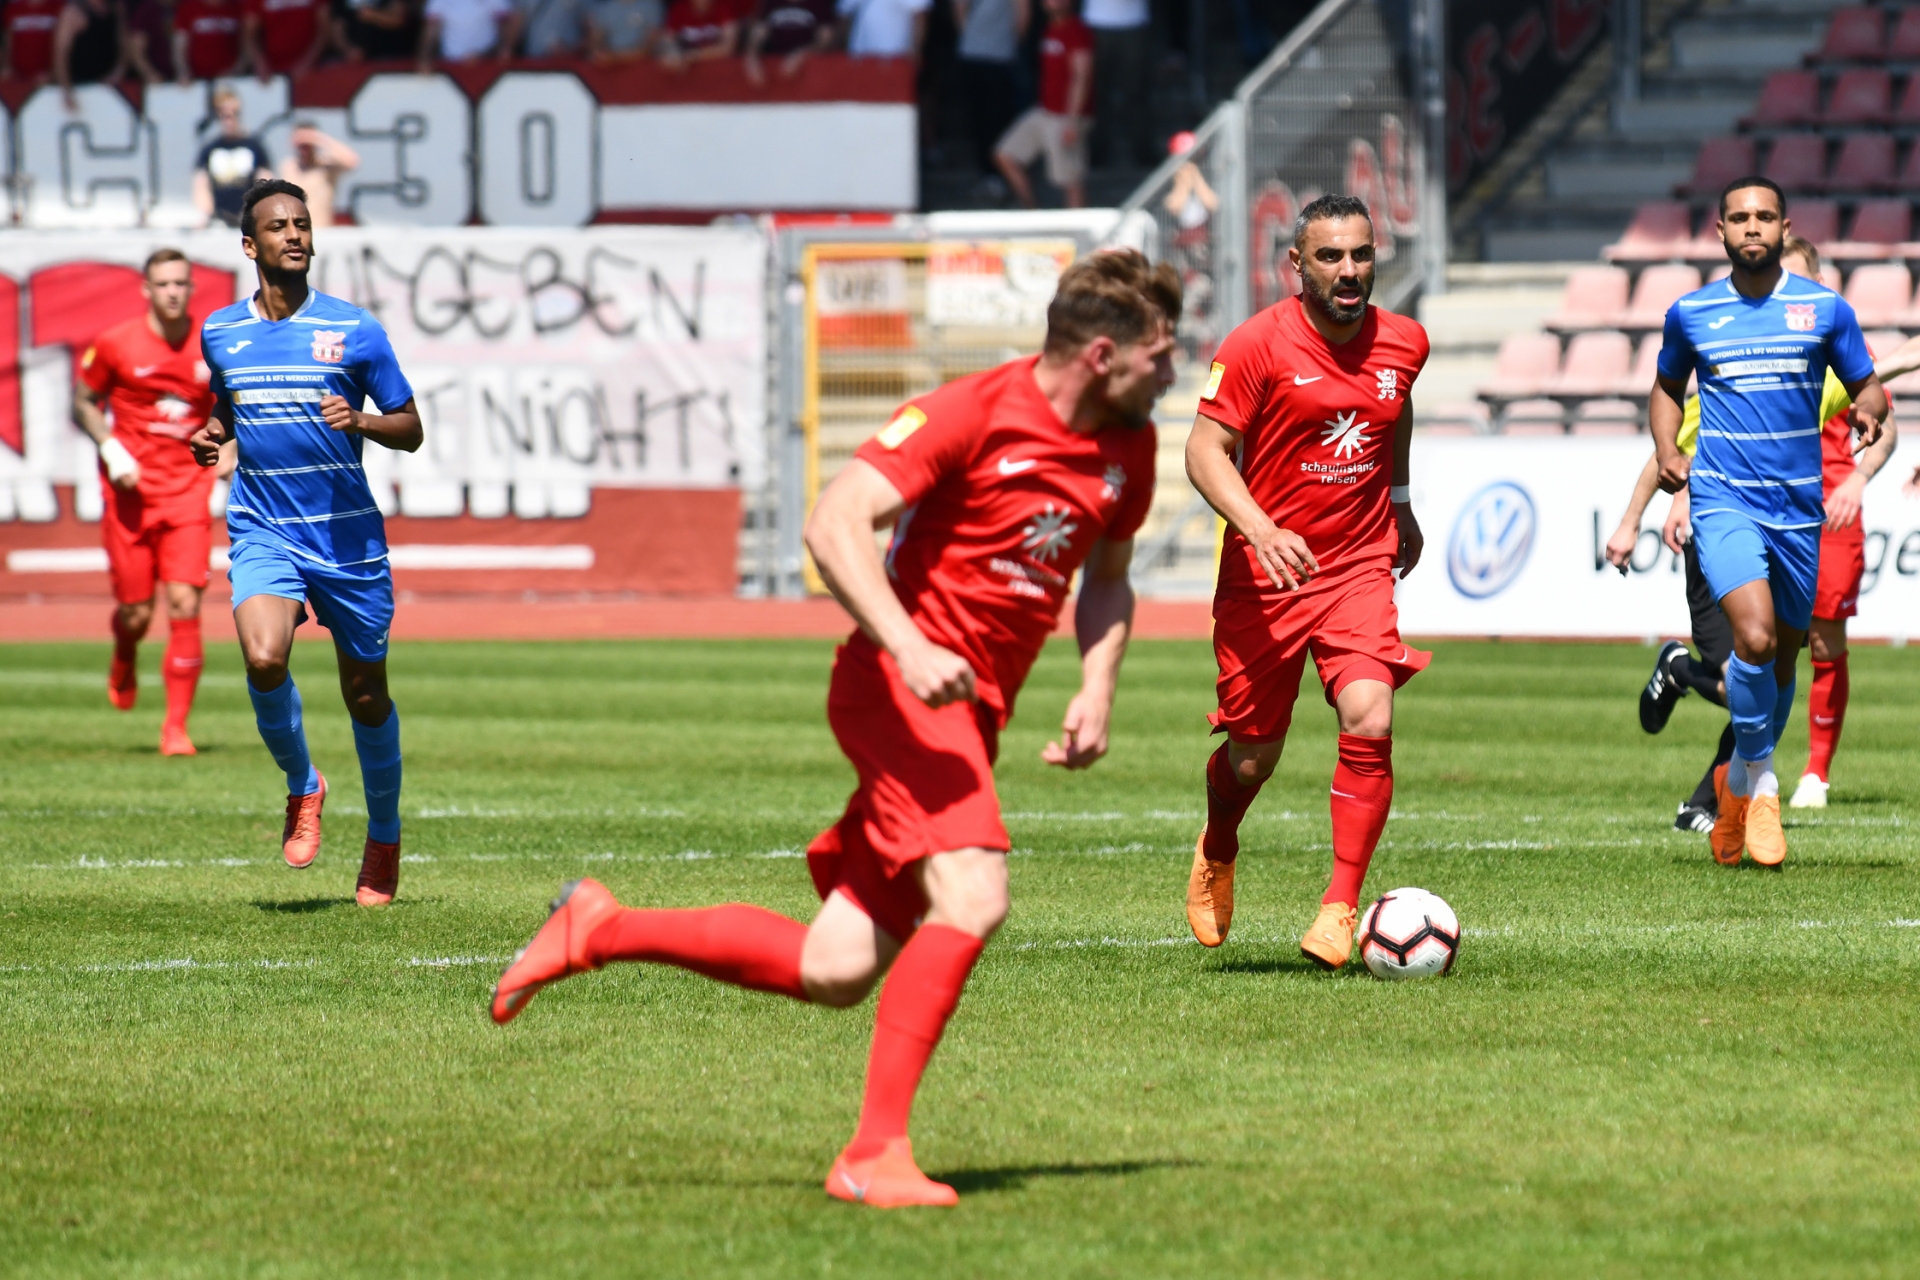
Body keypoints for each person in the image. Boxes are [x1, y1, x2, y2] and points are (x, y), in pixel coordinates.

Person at [488, 250, 1181, 1209]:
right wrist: (907, 644)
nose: (1174, 373)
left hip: (965, 715)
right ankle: (873, 1154)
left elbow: (1105, 577)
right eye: (1162, 356)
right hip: (895, 691)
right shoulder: (970, 412)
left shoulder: (1127, 450)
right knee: (975, 894)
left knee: (838, 965)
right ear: (1103, 354)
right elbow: (833, 521)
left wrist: (1097, 687)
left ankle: (600, 928)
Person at [1182, 193, 1431, 967]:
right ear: (1297, 264)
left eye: (1360, 254)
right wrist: (1258, 527)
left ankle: (1339, 906)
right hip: (1266, 572)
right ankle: (1219, 840)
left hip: (1357, 563)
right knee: (1254, 755)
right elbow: (1203, 449)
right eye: (1330, 257)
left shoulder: (1406, 342)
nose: (1349, 270)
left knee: (1371, 714)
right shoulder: (1258, 344)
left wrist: (1399, 503)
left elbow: (1397, 416)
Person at [1611, 234, 1909, 830]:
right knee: (1750, 654)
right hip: (1723, 526)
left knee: (1781, 668)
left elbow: (1882, 379)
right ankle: (1741, 775)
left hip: (1800, 520)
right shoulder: (1728, 365)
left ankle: (1728, 798)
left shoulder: (1823, 353)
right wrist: (1648, 510)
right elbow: (1673, 438)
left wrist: (1859, 466)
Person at [186, 179, 424, 906]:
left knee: (366, 695)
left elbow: (410, 428)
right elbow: (231, 406)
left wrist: (362, 422)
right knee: (262, 657)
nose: (294, 234)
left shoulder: (356, 330)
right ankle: (303, 784)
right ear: (251, 247)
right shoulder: (221, 332)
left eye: (302, 223)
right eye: (278, 226)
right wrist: (214, 434)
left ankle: (382, 837)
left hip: (347, 541)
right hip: (263, 526)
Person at [71, 249, 231, 755]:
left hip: (187, 491)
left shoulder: (213, 346)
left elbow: (237, 407)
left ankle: (175, 728)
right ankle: (125, 648)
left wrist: (231, 448)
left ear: (190, 289)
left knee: (186, 603)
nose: (172, 292)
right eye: (162, 284)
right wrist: (109, 445)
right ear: (146, 288)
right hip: (131, 495)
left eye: (181, 283)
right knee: (137, 614)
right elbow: (82, 401)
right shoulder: (116, 343)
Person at [993, 0, 1090, 209]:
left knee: (1070, 179)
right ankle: (1033, 213)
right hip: (1045, 110)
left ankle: (1078, 231)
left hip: (1067, 115)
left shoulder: (1077, 31)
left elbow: (1081, 76)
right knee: (1005, 155)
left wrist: (1072, 121)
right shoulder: (1048, 29)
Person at [952, 0, 1024, 179]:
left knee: (997, 117)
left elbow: (1023, 13)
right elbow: (959, 9)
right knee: (982, 117)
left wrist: (1009, 45)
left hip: (996, 56)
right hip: (979, 54)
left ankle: (1000, 170)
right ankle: (989, 170)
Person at [193, 89, 273, 227]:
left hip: (248, 217)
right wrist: (205, 214)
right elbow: (201, 183)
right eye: (224, 116)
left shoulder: (254, 146)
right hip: (219, 219)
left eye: (234, 115)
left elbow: (265, 180)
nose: (229, 120)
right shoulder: (210, 149)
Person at [1081, 0, 1146, 168]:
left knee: (1136, 92)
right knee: (1097, 93)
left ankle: (1142, 149)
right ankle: (1097, 151)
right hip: (1096, 21)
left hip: (1134, 21)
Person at [277, 119, 357, 227]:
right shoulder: (288, 166)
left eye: (307, 144)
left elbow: (352, 161)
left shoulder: (326, 166)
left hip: (321, 230)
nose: (304, 149)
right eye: (301, 144)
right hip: (295, 233)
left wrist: (319, 139)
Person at [54, 0, 124, 102]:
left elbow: (124, 42)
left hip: (110, 88)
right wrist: (67, 90)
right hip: (81, 88)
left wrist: (118, 71)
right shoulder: (74, 12)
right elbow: (60, 54)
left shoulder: (116, 8)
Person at [741, 0, 829, 82]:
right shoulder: (771, 3)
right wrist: (752, 59)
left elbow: (826, 38)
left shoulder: (819, 3)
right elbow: (758, 31)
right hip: (772, 66)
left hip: (807, 71)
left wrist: (802, 53)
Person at [242, 0, 328, 76]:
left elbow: (325, 30)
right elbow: (249, 36)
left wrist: (307, 63)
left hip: (312, 69)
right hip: (273, 74)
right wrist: (259, 61)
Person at [418, 0, 515, 65]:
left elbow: (505, 25)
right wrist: (425, 57)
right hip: (450, 64)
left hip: (487, 62)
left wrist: (504, 49)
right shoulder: (439, 1)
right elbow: (431, 31)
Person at [173, 0, 242, 79]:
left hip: (230, 78)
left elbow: (245, 43)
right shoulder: (189, 8)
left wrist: (237, 69)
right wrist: (183, 71)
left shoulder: (236, 7)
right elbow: (179, 46)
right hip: (196, 79)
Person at [3, 0, 64, 83]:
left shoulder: (59, 7)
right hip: (19, 78)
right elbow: (9, 41)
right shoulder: (12, 8)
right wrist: (8, 67)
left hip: (48, 80)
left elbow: (63, 45)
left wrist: (53, 73)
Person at [836, 0, 922, 59]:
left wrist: (916, 51)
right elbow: (843, 16)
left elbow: (920, 15)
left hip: (895, 57)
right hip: (858, 57)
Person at [334, 0, 419, 60]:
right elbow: (337, 22)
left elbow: (400, 18)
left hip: (393, 56)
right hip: (358, 61)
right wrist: (347, 49)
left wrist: (373, 15)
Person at [657, 0, 733, 63]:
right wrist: (674, 55)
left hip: (717, 68)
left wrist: (696, 55)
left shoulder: (723, 8)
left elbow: (728, 47)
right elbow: (667, 40)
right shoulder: (679, 9)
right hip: (685, 72)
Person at [123, 0, 179, 81]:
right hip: (156, 82)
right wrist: (150, 74)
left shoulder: (183, 7)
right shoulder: (147, 10)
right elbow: (136, 51)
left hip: (187, 82)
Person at [582, 0, 656, 60]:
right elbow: (595, 40)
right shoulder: (604, 8)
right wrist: (599, 53)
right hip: (611, 64)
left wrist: (617, 58)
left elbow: (651, 44)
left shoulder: (650, 5)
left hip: (640, 62)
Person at [513, 0, 581, 56]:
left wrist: (569, 51)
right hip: (530, 62)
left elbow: (590, 32)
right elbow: (516, 23)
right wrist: (508, 50)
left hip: (568, 66)